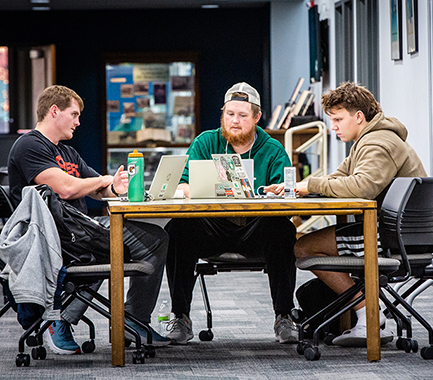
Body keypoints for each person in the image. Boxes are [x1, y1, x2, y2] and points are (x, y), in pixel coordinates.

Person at [7, 85, 170, 354]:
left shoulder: (68, 152)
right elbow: (66, 188)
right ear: (54, 111)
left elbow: (98, 188)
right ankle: (57, 317)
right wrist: (102, 181)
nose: (78, 121)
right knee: (104, 244)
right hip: (50, 235)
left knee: (154, 239)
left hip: (81, 229)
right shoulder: (30, 145)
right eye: (74, 114)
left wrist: (115, 187)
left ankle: (133, 319)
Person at [265, 82, 427, 347]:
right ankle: (364, 311)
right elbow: (341, 177)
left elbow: (362, 186)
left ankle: (368, 315)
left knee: (305, 248)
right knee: (310, 244)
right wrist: (298, 187)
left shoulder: (379, 143)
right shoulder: (367, 140)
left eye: (339, 119)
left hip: (392, 237)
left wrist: (312, 185)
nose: (334, 126)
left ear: (359, 117)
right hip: (392, 230)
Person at [165, 82, 298, 345]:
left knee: (282, 228)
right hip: (212, 228)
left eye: (242, 115)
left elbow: (287, 193)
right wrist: (192, 189)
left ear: (257, 117)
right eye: (229, 114)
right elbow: (181, 184)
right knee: (178, 228)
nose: (234, 121)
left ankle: (283, 315)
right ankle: (180, 315)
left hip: (255, 229)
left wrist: (276, 192)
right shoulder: (205, 142)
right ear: (222, 114)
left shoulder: (272, 149)